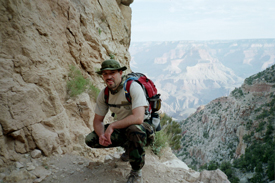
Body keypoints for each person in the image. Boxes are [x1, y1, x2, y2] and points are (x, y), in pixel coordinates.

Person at [85, 59, 155, 183]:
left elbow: (138, 118)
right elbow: (98, 120)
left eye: (112, 73)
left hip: (143, 128)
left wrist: (112, 126)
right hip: (123, 127)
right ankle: (129, 148)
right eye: (105, 74)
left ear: (120, 73)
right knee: (91, 139)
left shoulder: (132, 87)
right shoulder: (105, 93)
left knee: (134, 129)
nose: (108, 77)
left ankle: (136, 171)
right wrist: (101, 134)